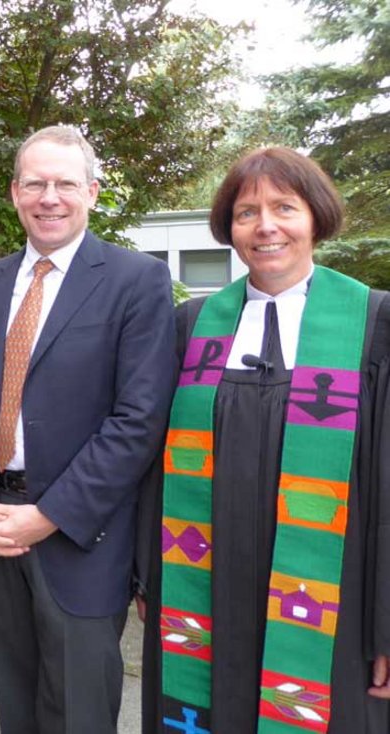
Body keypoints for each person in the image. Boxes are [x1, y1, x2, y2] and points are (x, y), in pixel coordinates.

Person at [139, 147, 390, 733]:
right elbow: (155, 463)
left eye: (284, 207)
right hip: (209, 581)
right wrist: (149, 574)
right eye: (246, 213)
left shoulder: (373, 324)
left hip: (337, 595)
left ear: (315, 216)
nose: (265, 226)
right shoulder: (192, 326)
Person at [0, 124, 177, 733]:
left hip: (81, 541)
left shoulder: (136, 280)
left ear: (92, 192)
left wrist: (48, 515)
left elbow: (138, 420)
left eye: (65, 184)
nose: (49, 197)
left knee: (78, 717)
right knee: (16, 710)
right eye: (35, 183)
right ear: (15, 192)